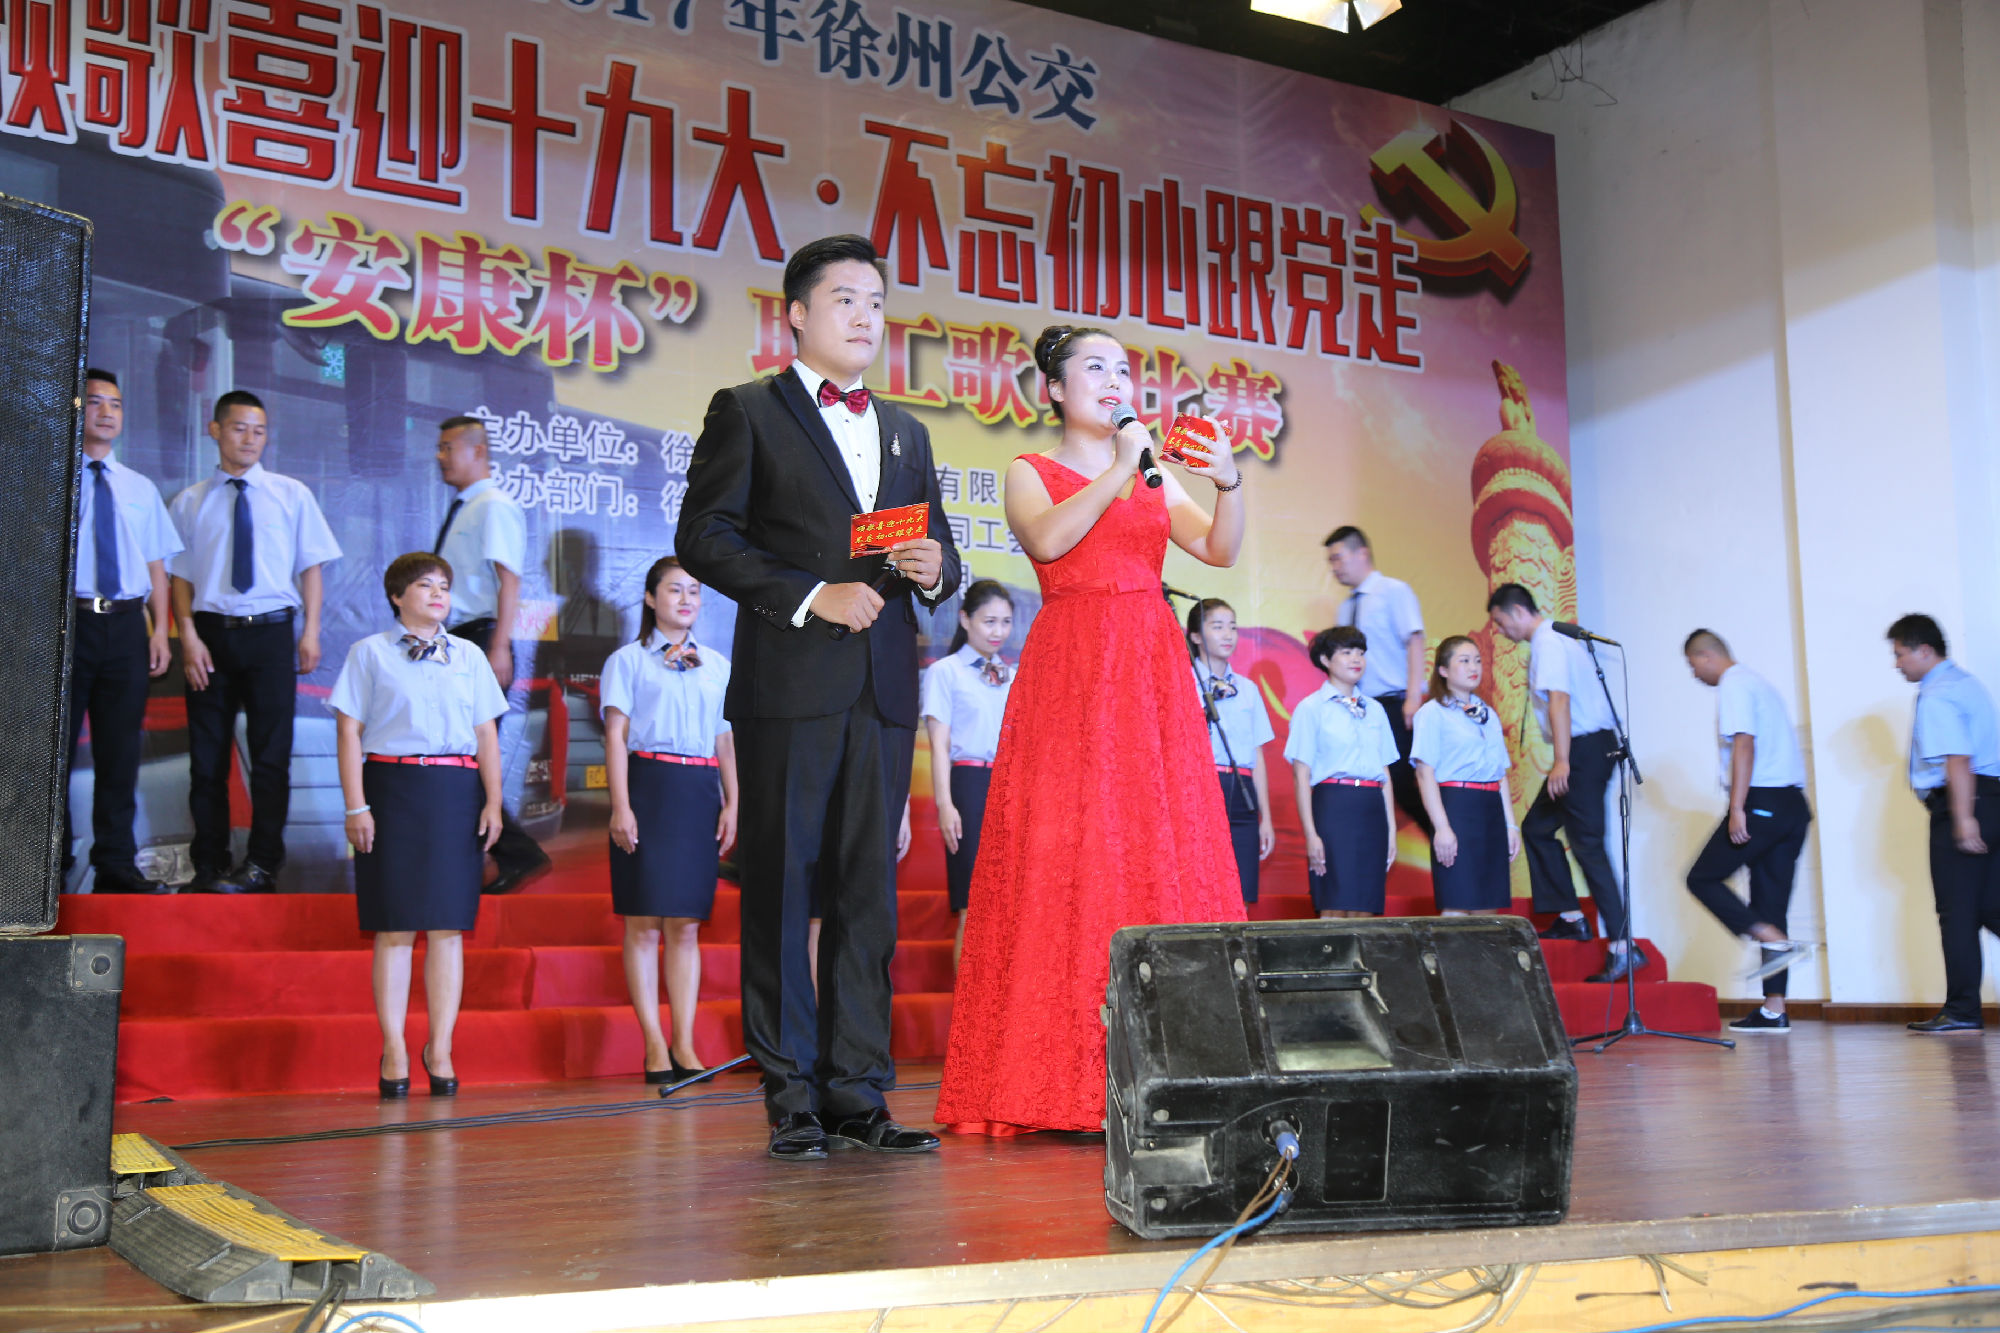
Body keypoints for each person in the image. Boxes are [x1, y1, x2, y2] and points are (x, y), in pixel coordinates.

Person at [676, 234, 961, 1161]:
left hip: (881, 689)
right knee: (782, 886)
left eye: (876, 302)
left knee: (865, 893)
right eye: (846, 299)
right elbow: (704, 535)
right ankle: (790, 1093)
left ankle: (857, 1091)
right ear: (796, 313)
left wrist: (934, 567)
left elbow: (942, 554)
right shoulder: (750, 409)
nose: (866, 317)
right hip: (790, 686)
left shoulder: (907, 430)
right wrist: (809, 594)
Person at [936, 324, 1248, 1136]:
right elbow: (1047, 539)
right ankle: (1055, 1079)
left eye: (1124, 370)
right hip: (1074, 666)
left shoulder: (1151, 475)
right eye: (1097, 368)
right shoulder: (1031, 470)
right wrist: (1119, 468)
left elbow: (1217, 548)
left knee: (1153, 843)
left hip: (1149, 668)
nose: (1116, 382)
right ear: (1055, 389)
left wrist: (1228, 483)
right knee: (1068, 853)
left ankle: (1173, 1067)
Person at [328, 554, 506, 1098]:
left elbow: (486, 734)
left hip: (455, 792)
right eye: (425, 585)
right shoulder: (369, 653)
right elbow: (349, 733)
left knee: (448, 927)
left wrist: (493, 802)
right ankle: (394, 1048)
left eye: (444, 586)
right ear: (396, 596)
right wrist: (356, 807)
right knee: (395, 926)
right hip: (392, 790)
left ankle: (441, 1047)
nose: (437, 594)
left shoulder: (469, 655)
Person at [169, 390, 342, 894]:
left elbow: (311, 568)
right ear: (215, 430)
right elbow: (180, 577)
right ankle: (209, 864)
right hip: (210, 636)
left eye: (259, 431)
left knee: (271, 758)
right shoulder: (189, 501)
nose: (250, 439)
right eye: (239, 428)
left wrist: (310, 631)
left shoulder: (291, 494)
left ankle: (263, 864)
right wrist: (188, 637)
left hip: (270, 634)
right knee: (207, 761)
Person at [601, 556, 738, 1082]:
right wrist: (621, 805)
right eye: (675, 590)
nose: (686, 599)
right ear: (650, 598)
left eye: (694, 591)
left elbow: (724, 738)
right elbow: (616, 737)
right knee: (643, 924)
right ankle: (653, 1044)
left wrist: (732, 801)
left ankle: (684, 1042)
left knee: (685, 925)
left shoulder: (717, 665)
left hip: (699, 791)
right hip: (648, 787)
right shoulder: (628, 660)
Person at [67, 370, 181, 894]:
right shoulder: (51, 479)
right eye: (95, 402)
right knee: (54, 748)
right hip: (67, 624)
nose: (107, 412)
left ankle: (115, 860)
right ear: (76, 409)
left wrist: (159, 631)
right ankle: (48, 857)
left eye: (115, 404)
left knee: (119, 750)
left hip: (126, 625)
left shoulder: (138, 487)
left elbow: (156, 564)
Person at [1486, 584, 1637, 981]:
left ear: (1517, 612)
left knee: (1588, 845)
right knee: (1537, 827)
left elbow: (1560, 700)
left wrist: (1562, 761)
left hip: (1584, 750)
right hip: (1590, 747)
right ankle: (1572, 917)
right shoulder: (1558, 638)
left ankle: (1623, 946)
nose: (1501, 631)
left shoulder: (1549, 642)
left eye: (1500, 622)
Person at [433, 415, 550, 895]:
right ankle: (489, 854)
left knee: (472, 757)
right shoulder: (467, 507)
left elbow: (509, 580)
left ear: (477, 451)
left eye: (448, 447)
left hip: (480, 638)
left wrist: (499, 645)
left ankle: (517, 852)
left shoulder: (494, 505)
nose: (440, 456)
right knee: (459, 755)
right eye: (439, 448)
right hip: (457, 640)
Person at [1682, 630, 1815, 1033]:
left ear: (1707, 656)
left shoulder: (1735, 684)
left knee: (1702, 877)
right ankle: (1775, 1010)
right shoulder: (1759, 683)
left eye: (1693, 665)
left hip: (1762, 800)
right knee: (1770, 902)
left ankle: (1768, 935)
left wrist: (1737, 807)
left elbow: (1745, 744)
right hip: (1792, 806)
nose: (1694, 674)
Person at [1890, 614, 2000, 1035]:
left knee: (1956, 913)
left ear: (1924, 650)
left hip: (1963, 802)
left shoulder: (1937, 694)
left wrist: (1963, 818)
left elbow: (1958, 758)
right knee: (1990, 906)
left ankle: (1962, 1011)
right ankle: (1963, 1009)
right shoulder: (1967, 683)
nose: (1897, 664)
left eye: (1900, 654)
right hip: (1993, 799)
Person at [921, 579, 1016, 964]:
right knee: (972, 906)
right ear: (965, 619)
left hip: (1010, 788)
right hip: (969, 786)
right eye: (989, 621)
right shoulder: (946, 672)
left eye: (1006, 622)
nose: (998, 631)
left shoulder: (1014, 675)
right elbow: (939, 745)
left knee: (1010, 906)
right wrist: (945, 804)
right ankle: (967, 1000)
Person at [1325, 526, 1432, 837]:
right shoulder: (1346, 607)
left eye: (1339, 558)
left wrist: (1413, 697)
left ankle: (1444, 835)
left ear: (1362, 553)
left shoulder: (1393, 591)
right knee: (1368, 780)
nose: (1335, 567)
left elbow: (1414, 641)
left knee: (1403, 781)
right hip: (1359, 708)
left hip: (1395, 702)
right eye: (1331, 562)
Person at [1286, 626, 1399, 918]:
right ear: (1325, 660)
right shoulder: (1311, 708)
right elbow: (1301, 776)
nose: (1356, 659)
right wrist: (1311, 834)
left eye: (1360, 652)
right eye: (1347, 652)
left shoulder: (1375, 709)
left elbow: (1384, 773)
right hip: (1334, 806)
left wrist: (1391, 830)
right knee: (1334, 901)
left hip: (1372, 808)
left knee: (1366, 905)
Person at [1411, 635, 1518, 915]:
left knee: (1489, 907)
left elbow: (1500, 774)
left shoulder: (1488, 714)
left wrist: (1510, 825)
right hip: (1456, 806)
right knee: (1457, 903)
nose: (1474, 667)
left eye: (1478, 661)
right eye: (1465, 660)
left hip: (1490, 809)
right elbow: (1425, 774)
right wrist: (1442, 827)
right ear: (1443, 670)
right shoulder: (1432, 713)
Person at [1187, 597, 1276, 904]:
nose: (1228, 634)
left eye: (1233, 627)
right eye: (1217, 626)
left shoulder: (1248, 689)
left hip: (1242, 788)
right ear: (1196, 636)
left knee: (1241, 890)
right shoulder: (1183, 683)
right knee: (1201, 888)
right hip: (1200, 786)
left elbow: (1256, 755)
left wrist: (1265, 816)